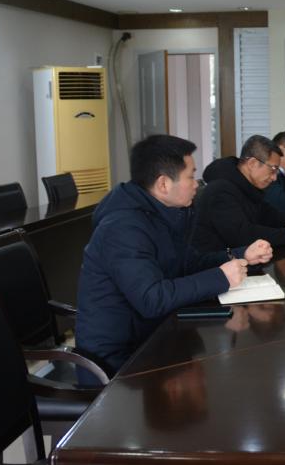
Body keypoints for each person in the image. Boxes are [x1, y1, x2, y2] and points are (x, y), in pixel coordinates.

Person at [75, 134, 273, 375]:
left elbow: (190, 263)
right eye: (190, 176)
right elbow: (152, 299)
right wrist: (221, 277)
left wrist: (240, 256)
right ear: (163, 184)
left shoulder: (165, 212)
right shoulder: (122, 227)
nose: (196, 184)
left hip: (154, 335)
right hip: (119, 362)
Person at [192, 134, 285, 252]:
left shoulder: (248, 186)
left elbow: (272, 216)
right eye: (273, 169)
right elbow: (242, 235)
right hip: (219, 262)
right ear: (252, 163)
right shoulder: (220, 190)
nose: (274, 178)